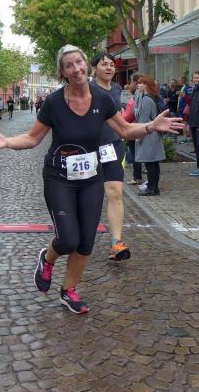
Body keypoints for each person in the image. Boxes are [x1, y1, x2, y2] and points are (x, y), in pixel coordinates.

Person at [0, 44, 182, 315]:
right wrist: (6, 142)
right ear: (62, 72)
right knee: (67, 240)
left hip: (90, 179)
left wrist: (150, 126)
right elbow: (32, 138)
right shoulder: (54, 103)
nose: (76, 69)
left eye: (79, 62)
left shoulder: (102, 99)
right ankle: (47, 258)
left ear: (86, 64)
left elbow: (124, 130)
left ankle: (69, 290)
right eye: (69, 65)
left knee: (86, 241)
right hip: (59, 178)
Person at [90, 52, 130, 261]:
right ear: (94, 68)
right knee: (90, 196)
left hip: (113, 146)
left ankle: (116, 243)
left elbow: (122, 117)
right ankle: (80, 237)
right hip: (89, 149)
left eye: (112, 65)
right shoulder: (86, 89)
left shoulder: (117, 89)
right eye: (104, 64)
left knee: (115, 192)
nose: (109, 68)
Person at [135, 75, 166, 196]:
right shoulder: (152, 97)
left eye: (140, 83)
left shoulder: (146, 99)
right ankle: (154, 187)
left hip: (149, 134)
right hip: (154, 133)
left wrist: (139, 135)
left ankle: (151, 188)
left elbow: (144, 120)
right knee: (154, 162)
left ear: (146, 85)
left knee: (149, 163)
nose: (138, 85)